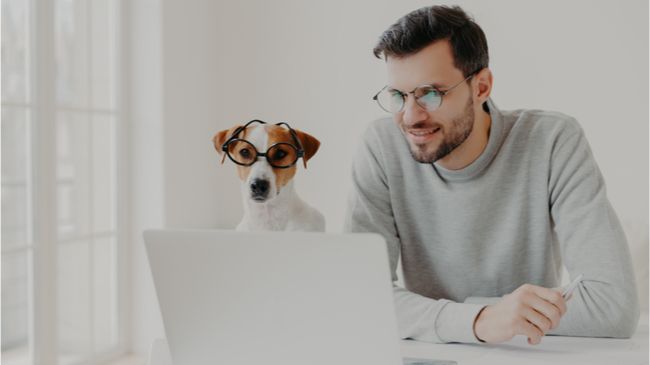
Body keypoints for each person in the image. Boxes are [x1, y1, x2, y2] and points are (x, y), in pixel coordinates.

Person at [344, 5, 639, 345]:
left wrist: (476, 319)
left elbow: (613, 305)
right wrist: (481, 320)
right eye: (398, 96)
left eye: (430, 94)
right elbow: (360, 296)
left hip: (526, 354)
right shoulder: (381, 146)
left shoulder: (552, 141)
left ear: (481, 87)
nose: (410, 117)